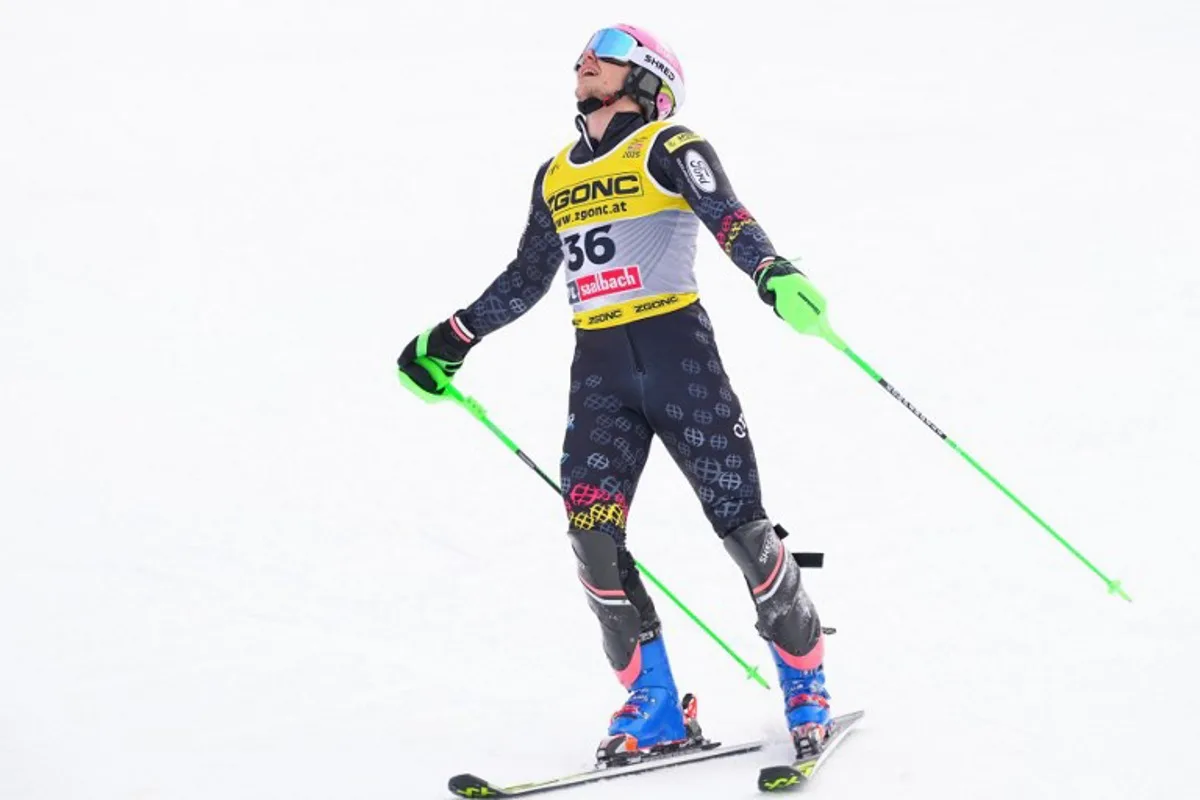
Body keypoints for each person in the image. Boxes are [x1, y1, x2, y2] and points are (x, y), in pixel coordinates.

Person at [397, 24, 834, 761]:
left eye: (607, 47)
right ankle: (655, 704)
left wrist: (771, 272)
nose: (585, 56)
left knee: (743, 531)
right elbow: (528, 276)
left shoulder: (670, 144)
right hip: (599, 372)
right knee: (591, 535)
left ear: (649, 77)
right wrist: (453, 336)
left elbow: (726, 218)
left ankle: (806, 684)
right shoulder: (555, 175)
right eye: (583, 50)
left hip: (678, 356)